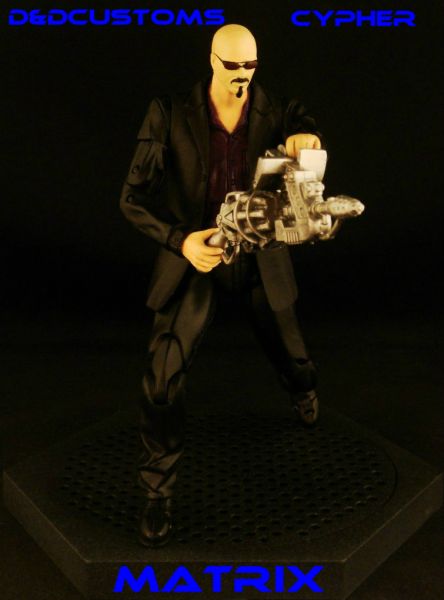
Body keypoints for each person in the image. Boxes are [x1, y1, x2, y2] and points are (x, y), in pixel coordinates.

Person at [120, 24, 322, 548]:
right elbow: (132, 198)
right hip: (200, 255)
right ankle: (157, 492)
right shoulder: (169, 113)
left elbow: (301, 121)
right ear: (212, 61)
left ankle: (302, 390)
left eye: (250, 66)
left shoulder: (273, 110)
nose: (242, 77)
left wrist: (307, 138)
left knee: (295, 358)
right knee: (162, 375)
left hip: (260, 256)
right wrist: (180, 240)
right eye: (232, 66)